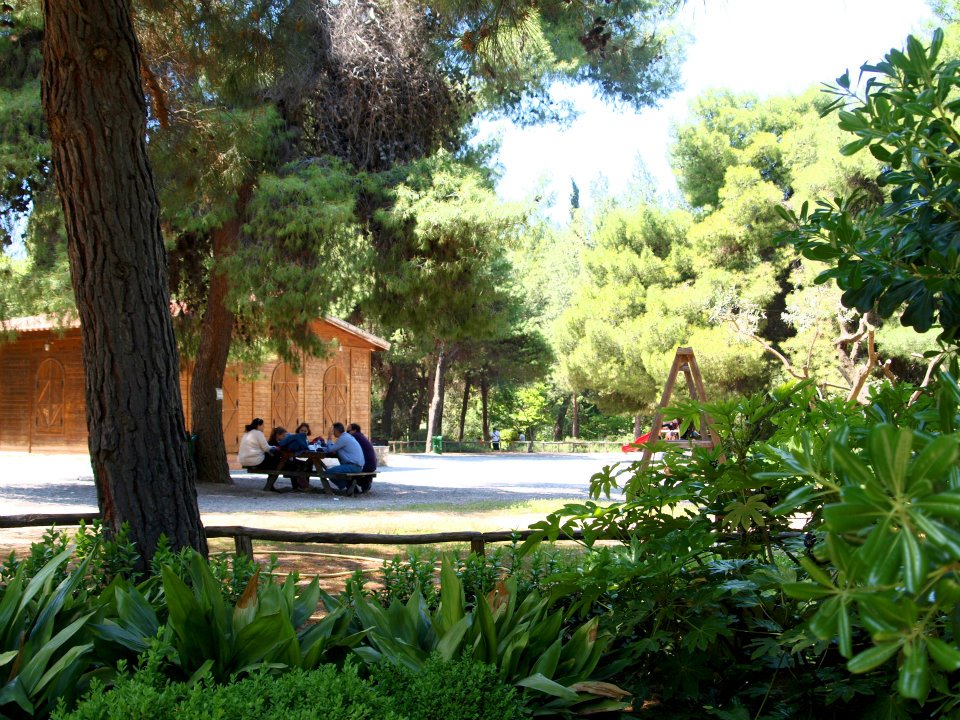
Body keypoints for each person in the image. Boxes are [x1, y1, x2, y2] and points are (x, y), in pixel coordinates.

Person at [321, 422, 365, 489]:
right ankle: (351, 486)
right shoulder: (346, 437)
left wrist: (329, 437)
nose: (332, 432)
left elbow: (330, 449)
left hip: (353, 466)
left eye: (332, 431)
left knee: (327, 472)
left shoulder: (343, 438)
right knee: (334, 470)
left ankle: (346, 485)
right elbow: (335, 449)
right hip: (357, 466)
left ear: (335, 430)